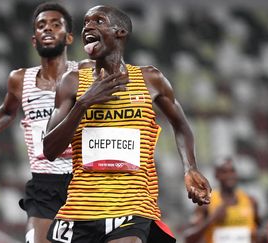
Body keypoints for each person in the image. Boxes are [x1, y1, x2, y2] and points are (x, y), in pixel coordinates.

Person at [43, 5, 211, 243]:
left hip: (133, 206)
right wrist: (83, 103)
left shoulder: (150, 80)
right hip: (81, 208)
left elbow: (181, 125)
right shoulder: (72, 82)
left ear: (120, 32)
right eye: (85, 24)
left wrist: (190, 167)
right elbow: (49, 150)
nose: (88, 27)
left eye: (98, 21)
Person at [0, 2, 92, 243]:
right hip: (44, 183)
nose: (47, 29)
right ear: (34, 40)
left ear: (68, 38)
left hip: (84, 181)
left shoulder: (85, 73)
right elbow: (7, 110)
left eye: (56, 25)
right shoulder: (19, 79)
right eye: (41, 26)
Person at [183, 157, 260, 243]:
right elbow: (188, 238)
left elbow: (258, 234)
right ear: (216, 175)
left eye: (232, 171)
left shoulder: (251, 201)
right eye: (224, 172)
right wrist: (212, 218)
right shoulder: (206, 203)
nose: (229, 175)